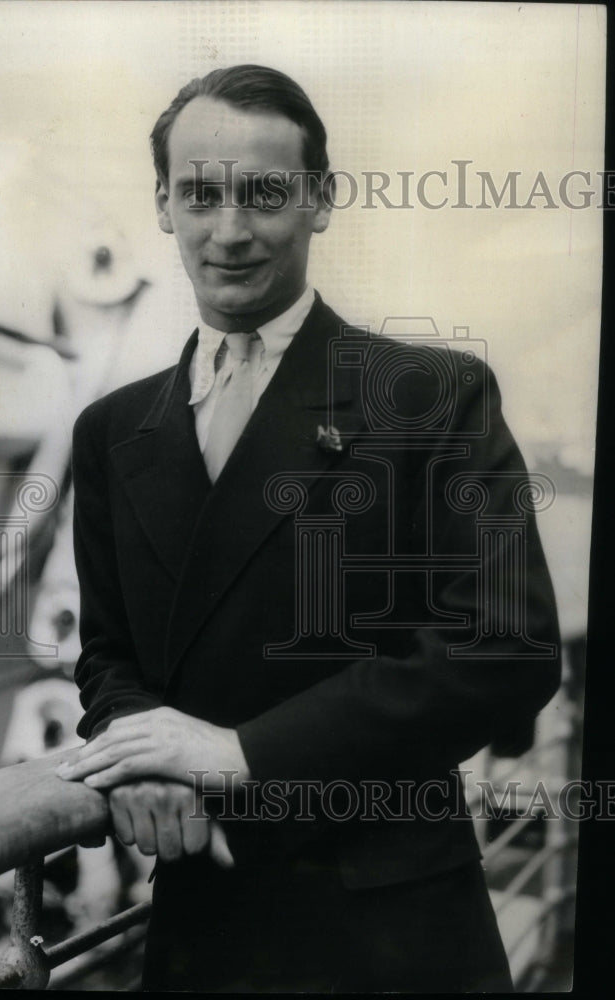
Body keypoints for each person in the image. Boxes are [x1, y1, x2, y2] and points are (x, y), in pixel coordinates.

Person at [57, 64, 561, 992]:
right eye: (201, 195)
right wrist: (144, 750)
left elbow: (508, 647)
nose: (231, 230)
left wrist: (240, 754)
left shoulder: (432, 397)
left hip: (393, 938)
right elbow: (108, 656)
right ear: (164, 206)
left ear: (320, 200)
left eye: (265, 194)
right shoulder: (112, 430)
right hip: (202, 925)